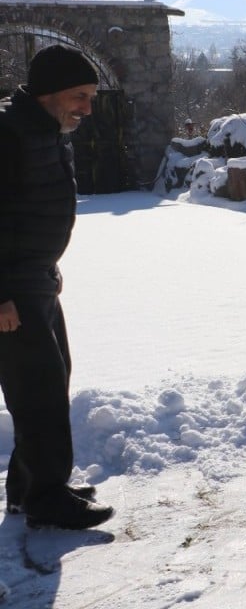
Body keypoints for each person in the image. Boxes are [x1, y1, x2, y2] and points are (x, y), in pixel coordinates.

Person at [0, 44, 115, 529]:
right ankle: (46, 499)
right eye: (79, 96)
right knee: (38, 393)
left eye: (90, 97)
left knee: (51, 380)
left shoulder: (44, 130)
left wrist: (45, 269)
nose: (87, 108)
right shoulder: (8, 134)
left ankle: (27, 489)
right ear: (49, 93)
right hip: (13, 290)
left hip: (36, 279)